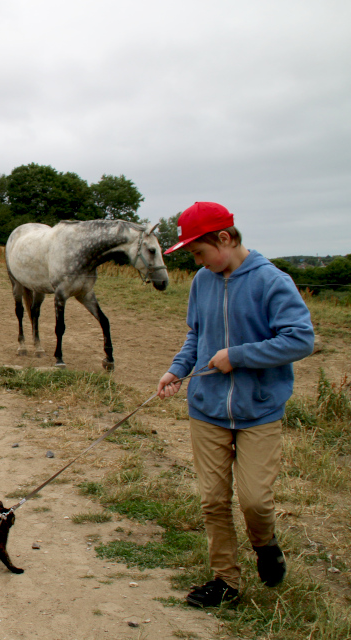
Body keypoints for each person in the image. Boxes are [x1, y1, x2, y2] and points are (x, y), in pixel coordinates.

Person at [156, 202, 315, 608]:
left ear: (224, 239)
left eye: (199, 253)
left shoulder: (272, 281)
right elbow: (196, 334)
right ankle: (225, 581)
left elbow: (301, 339)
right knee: (212, 500)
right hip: (206, 409)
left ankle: (265, 545)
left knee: (255, 501)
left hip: (258, 410)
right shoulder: (202, 282)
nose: (197, 263)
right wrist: (177, 370)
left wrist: (238, 355)